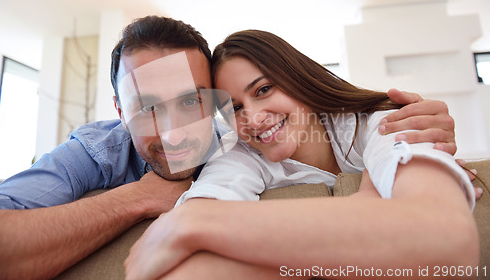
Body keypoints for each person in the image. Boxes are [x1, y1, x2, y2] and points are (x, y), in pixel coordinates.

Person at [0, 16, 465, 279]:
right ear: (118, 109)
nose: (175, 133)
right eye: (148, 108)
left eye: (191, 102)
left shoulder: (237, 142)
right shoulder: (97, 151)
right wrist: (137, 199)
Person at [124, 29, 479, 280]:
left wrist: (192, 223)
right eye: (234, 108)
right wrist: (372, 204)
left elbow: (449, 242)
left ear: (298, 79)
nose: (253, 118)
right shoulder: (239, 154)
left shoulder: (385, 121)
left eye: (263, 90)